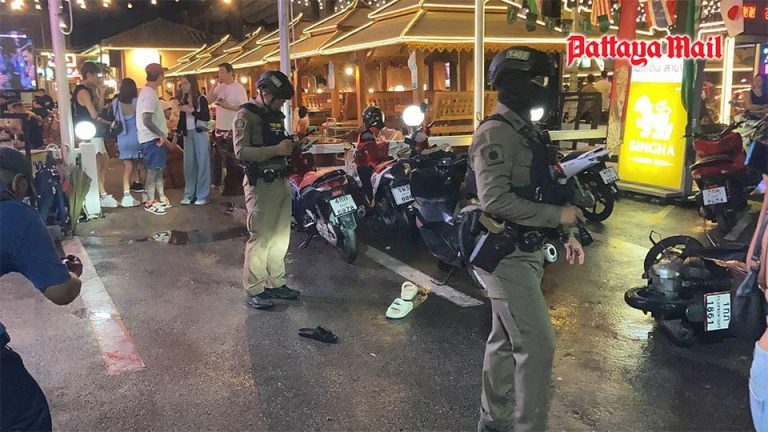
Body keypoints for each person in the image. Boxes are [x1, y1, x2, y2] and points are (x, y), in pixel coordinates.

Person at [469, 47, 586, 432]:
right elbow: (495, 200)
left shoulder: (528, 132)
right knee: (537, 344)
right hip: (506, 255)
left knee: (505, 340)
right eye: (534, 80)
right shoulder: (495, 133)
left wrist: (567, 231)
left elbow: (546, 188)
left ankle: (494, 421)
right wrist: (558, 217)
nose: (542, 88)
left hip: (529, 251)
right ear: (514, 83)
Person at [0, 147, 83, 432]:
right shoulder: (13, 213)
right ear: (19, 183)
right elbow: (61, 291)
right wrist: (72, 276)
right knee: (26, 418)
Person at [233, 70, 301, 310]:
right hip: (261, 184)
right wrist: (276, 150)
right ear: (264, 92)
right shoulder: (246, 115)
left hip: (281, 180)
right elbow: (241, 152)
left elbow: (276, 142)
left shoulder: (274, 115)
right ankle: (255, 288)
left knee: (281, 236)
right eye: (279, 99)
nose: (281, 104)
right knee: (261, 237)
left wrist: (290, 146)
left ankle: (276, 282)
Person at [72, 61, 117, 208]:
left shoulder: (89, 90)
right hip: (89, 131)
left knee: (104, 160)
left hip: (93, 130)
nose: (99, 78)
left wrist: (101, 92)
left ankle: (100, 191)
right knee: (98, 161)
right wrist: (108, 123)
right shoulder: (83, 91)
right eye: (97, 75)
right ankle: (101, 193)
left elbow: (99, 109)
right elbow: (94, 114)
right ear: (88, 74)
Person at [137, 63, 173, 215]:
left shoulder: (147, 92)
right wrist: (161, 134)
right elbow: (147, 119)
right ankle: (151, 200)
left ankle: (161, 196)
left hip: (151, 138)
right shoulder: (150, 94)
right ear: (159, 76)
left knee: (157, 169)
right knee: (153, 170)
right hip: (152, 138)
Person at [210, 62, 248, 198]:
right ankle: (217, 182)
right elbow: (208, 99)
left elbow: (244, 108)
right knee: (217, 157)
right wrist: (214, 85)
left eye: (222, 72)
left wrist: (228, 106)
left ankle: (234, 187)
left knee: (231, 159)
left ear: (230, 72)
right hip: (219, 127)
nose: (220, 74)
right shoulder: (219, 88)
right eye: (219, 72)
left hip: (232, 128)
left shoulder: (238, 88)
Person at [177, 74, 212, 206]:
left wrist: (191, 111)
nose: (183, 86)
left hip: (200, 132)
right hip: (188, 134)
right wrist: (178, 132)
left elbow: (206, 116)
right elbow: (182, 119)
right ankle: (189, 193)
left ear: (192, 84)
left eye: (185, 83)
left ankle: (202, 194)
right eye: (182, 84)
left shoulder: (201, 99)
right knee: (189, 165)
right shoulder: (183, 100)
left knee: (203, 163)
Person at [112, 78, 142, 208]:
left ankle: (126, 194)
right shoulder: (137, 101)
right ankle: (138, 186)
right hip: (136, 136)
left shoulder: (115, 102)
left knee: (127, 167)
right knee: (137, 164)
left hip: (123, 137)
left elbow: (114, 118)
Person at [354, 105, 391, 201]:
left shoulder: (371, 134)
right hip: (372, 168)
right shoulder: (371, 134)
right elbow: (371, 152)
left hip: (373, 168)